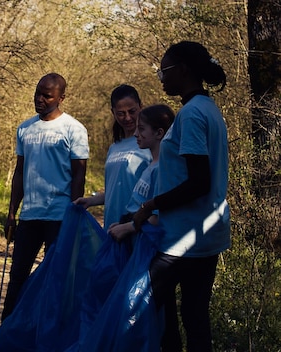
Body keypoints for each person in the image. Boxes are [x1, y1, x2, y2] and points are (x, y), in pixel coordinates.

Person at [133, 41, 231, 352]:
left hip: (184, 239)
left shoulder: (190, 114)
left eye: (164, 70)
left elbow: (199, 181)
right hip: (207, 235)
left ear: (183, 70)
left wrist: (151, 204)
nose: (160, 77)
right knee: (194, 316)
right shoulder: (209, 109)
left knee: (144, 302)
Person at [1, 73, 89, 320]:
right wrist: (11, 212)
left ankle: (49, 334)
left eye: (47, 95)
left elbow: (78, 175)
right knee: (17, 274)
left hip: (59, 215)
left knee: (56, 276)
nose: (39, 99)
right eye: (37, 93)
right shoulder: (25, 128)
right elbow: (20, 172)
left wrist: (74, 215)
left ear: (61, 97)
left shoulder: (74, 129)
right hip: (30, 214)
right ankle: (7, 332)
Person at [74, 85, 152, 229]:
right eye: (121, 113)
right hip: (112, 227)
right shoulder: (113, 148)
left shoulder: (150, 144)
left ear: (141, 107)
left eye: (132, 111)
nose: (127, 117)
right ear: (113, 113)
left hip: (136, 226)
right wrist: (90, 201)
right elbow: (114, 192)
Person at [107, 104, 175, 242]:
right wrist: (123, 224)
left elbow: (157, 217)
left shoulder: (162, 169)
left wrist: (128, 227)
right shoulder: (151, 166)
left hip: (146, 242)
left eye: (142, 129)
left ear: (159, 133)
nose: (136, 134)